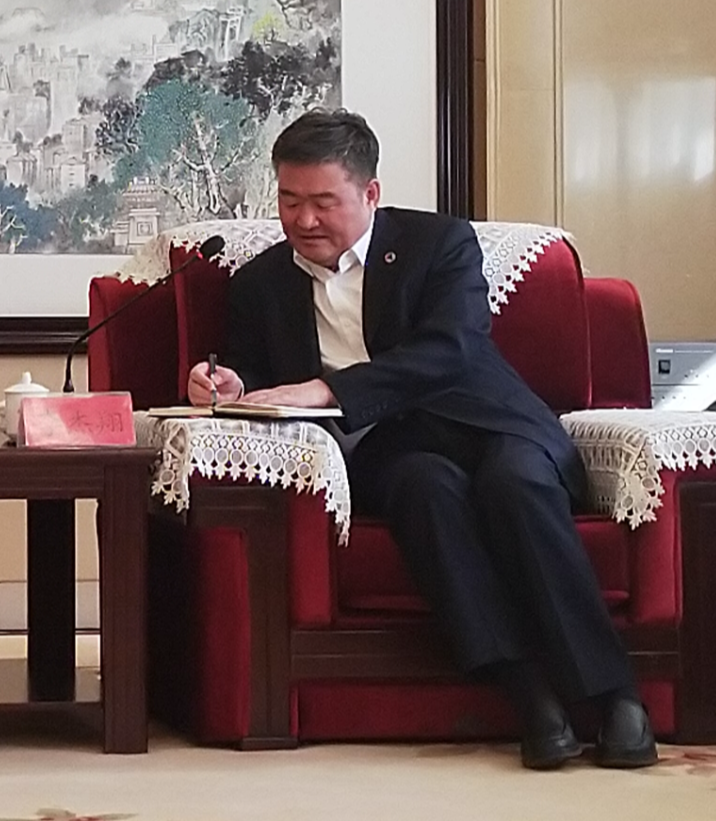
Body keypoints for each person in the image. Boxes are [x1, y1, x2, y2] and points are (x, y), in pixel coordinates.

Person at [186, 109, 655, 771]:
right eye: (289, 200)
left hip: (487, 420)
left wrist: (330, 390)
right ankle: (527, 692)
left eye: (324, 202)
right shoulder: (260, 283)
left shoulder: (439, 243)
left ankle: (613, 695)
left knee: (515, 485)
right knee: (423, 491)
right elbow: (253, 373)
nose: (304, 219)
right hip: (391, 447)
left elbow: (452, 348)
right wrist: (229, 383)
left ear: (370, 193)